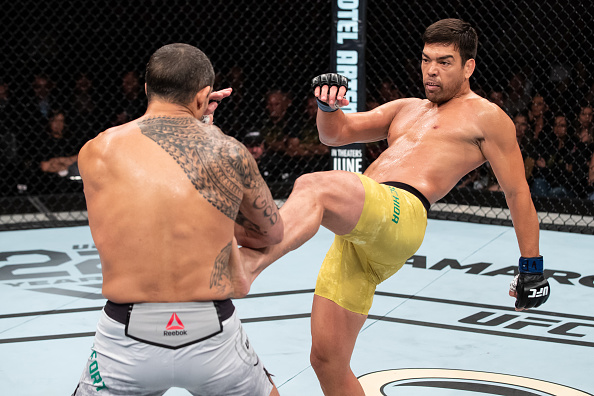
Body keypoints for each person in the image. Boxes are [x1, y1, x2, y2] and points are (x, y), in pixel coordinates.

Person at [237, 19, 550, 396]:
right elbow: (335, 134)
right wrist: (327, 106)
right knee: (327, 361)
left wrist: (532, 269)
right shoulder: (407, 108)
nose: (432, 70)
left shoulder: (487, 117)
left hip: (402, 213)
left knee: (313, 185)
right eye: (426, 60)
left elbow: (517, 194)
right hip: (362, 234)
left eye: (445, 62)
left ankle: (250, 263)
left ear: (469, 66)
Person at [73, 43, 283, 396]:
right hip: (213, 334)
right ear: (204, 95)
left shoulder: (97, 150)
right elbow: (270, 234)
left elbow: (149, 199)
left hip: (125, 338)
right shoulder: (229, 150)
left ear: (146, 89)